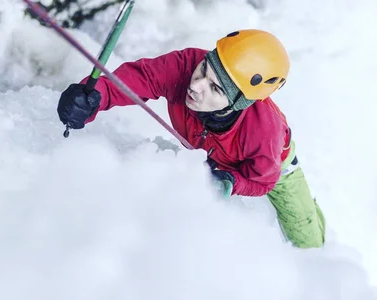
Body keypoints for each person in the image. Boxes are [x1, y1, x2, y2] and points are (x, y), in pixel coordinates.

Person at [57, 29, 325, 248]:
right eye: (204, 69)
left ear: (237, 103)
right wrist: (94, 97)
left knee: (306, 236)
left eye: (215, 88)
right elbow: (139, 79)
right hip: (211, 150)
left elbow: (262, 181)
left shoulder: (263, 134)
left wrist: (232, 180)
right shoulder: (185, 67)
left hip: (276, 167)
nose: (195, 86)